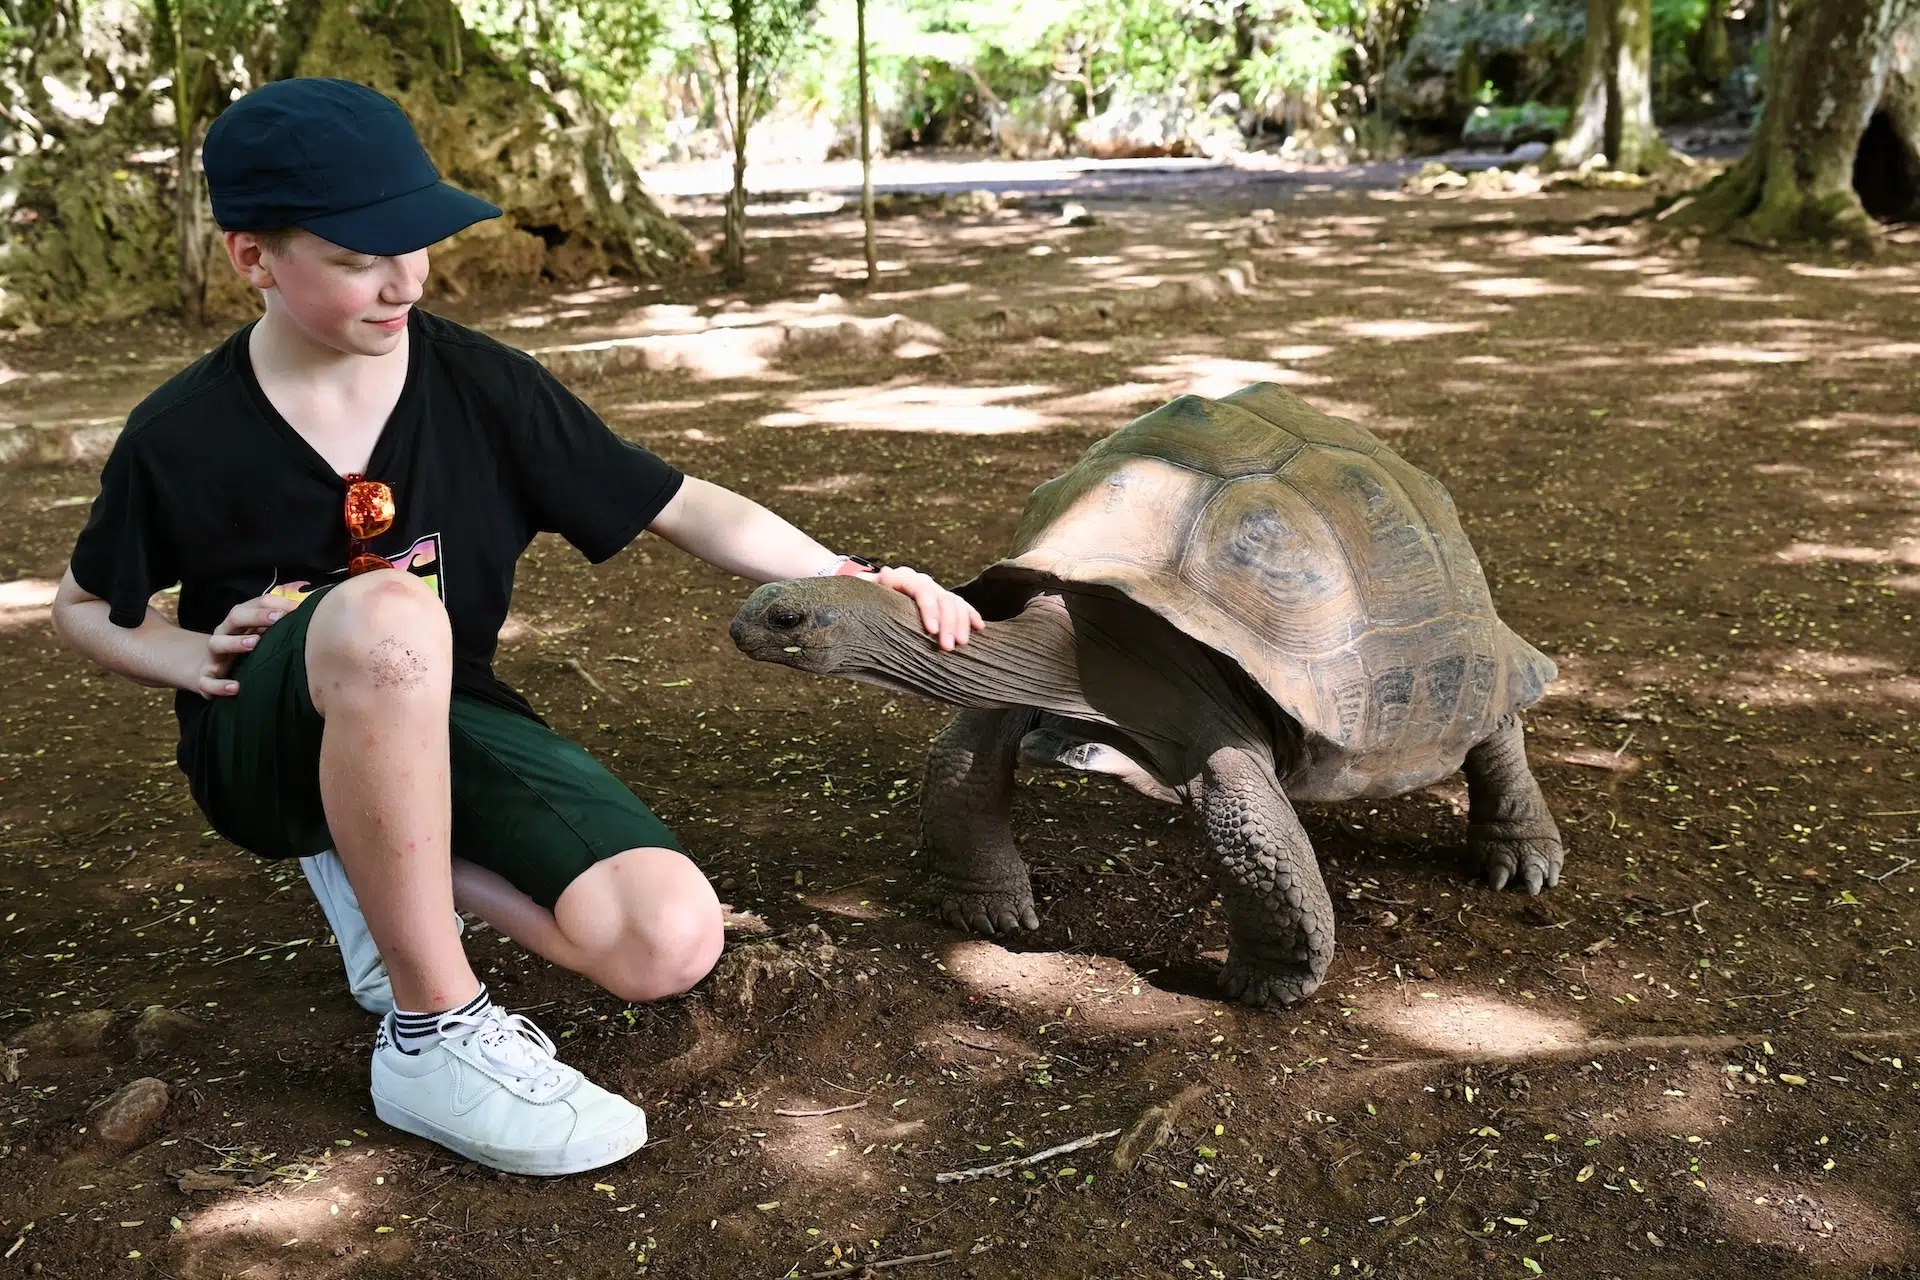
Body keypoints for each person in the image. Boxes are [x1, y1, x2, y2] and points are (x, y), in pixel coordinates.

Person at [48, 77, 982, 1177]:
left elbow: (679, 503)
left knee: (665, 937)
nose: (404, 280)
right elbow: (80, 605)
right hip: (262, 748)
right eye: (357, 258)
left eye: (418, 243)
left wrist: (851, 571)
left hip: (443, 715)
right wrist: (183, 652)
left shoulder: (484, 386)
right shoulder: (180, 434)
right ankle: (433, 1031)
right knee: (386, 609)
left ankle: (379, 865)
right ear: (252, 256)